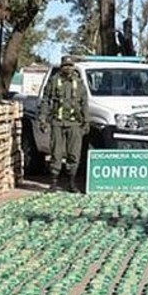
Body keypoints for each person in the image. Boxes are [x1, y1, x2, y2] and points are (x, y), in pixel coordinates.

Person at [38, 55, 89, 193]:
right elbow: (46, 101)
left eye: (70, 66)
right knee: (56, 153)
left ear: (74, 67)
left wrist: (86, 121)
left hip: (74, 124)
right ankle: (53, 183)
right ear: (61, 67)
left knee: (74, 154)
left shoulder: (79, 83)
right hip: (57, 123)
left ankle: (71, 183)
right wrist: (42, 119)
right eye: (65, 66)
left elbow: (84, 103)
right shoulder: (54, 82)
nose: (68, 68)